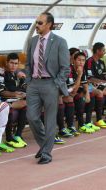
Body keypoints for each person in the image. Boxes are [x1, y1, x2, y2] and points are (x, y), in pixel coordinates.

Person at [25, 12, 70, 164]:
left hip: (51, 83)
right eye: (36, 22)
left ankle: (46, 154)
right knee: (31, 117)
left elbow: (65, 68)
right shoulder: (32, 41)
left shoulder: (59, 42)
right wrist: (29, 81)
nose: (36, 25)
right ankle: (45, 145)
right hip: (34, 84)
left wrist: (56, 84)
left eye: (40, 23)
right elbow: (28, 64)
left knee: (50, 120)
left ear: (49, 25)